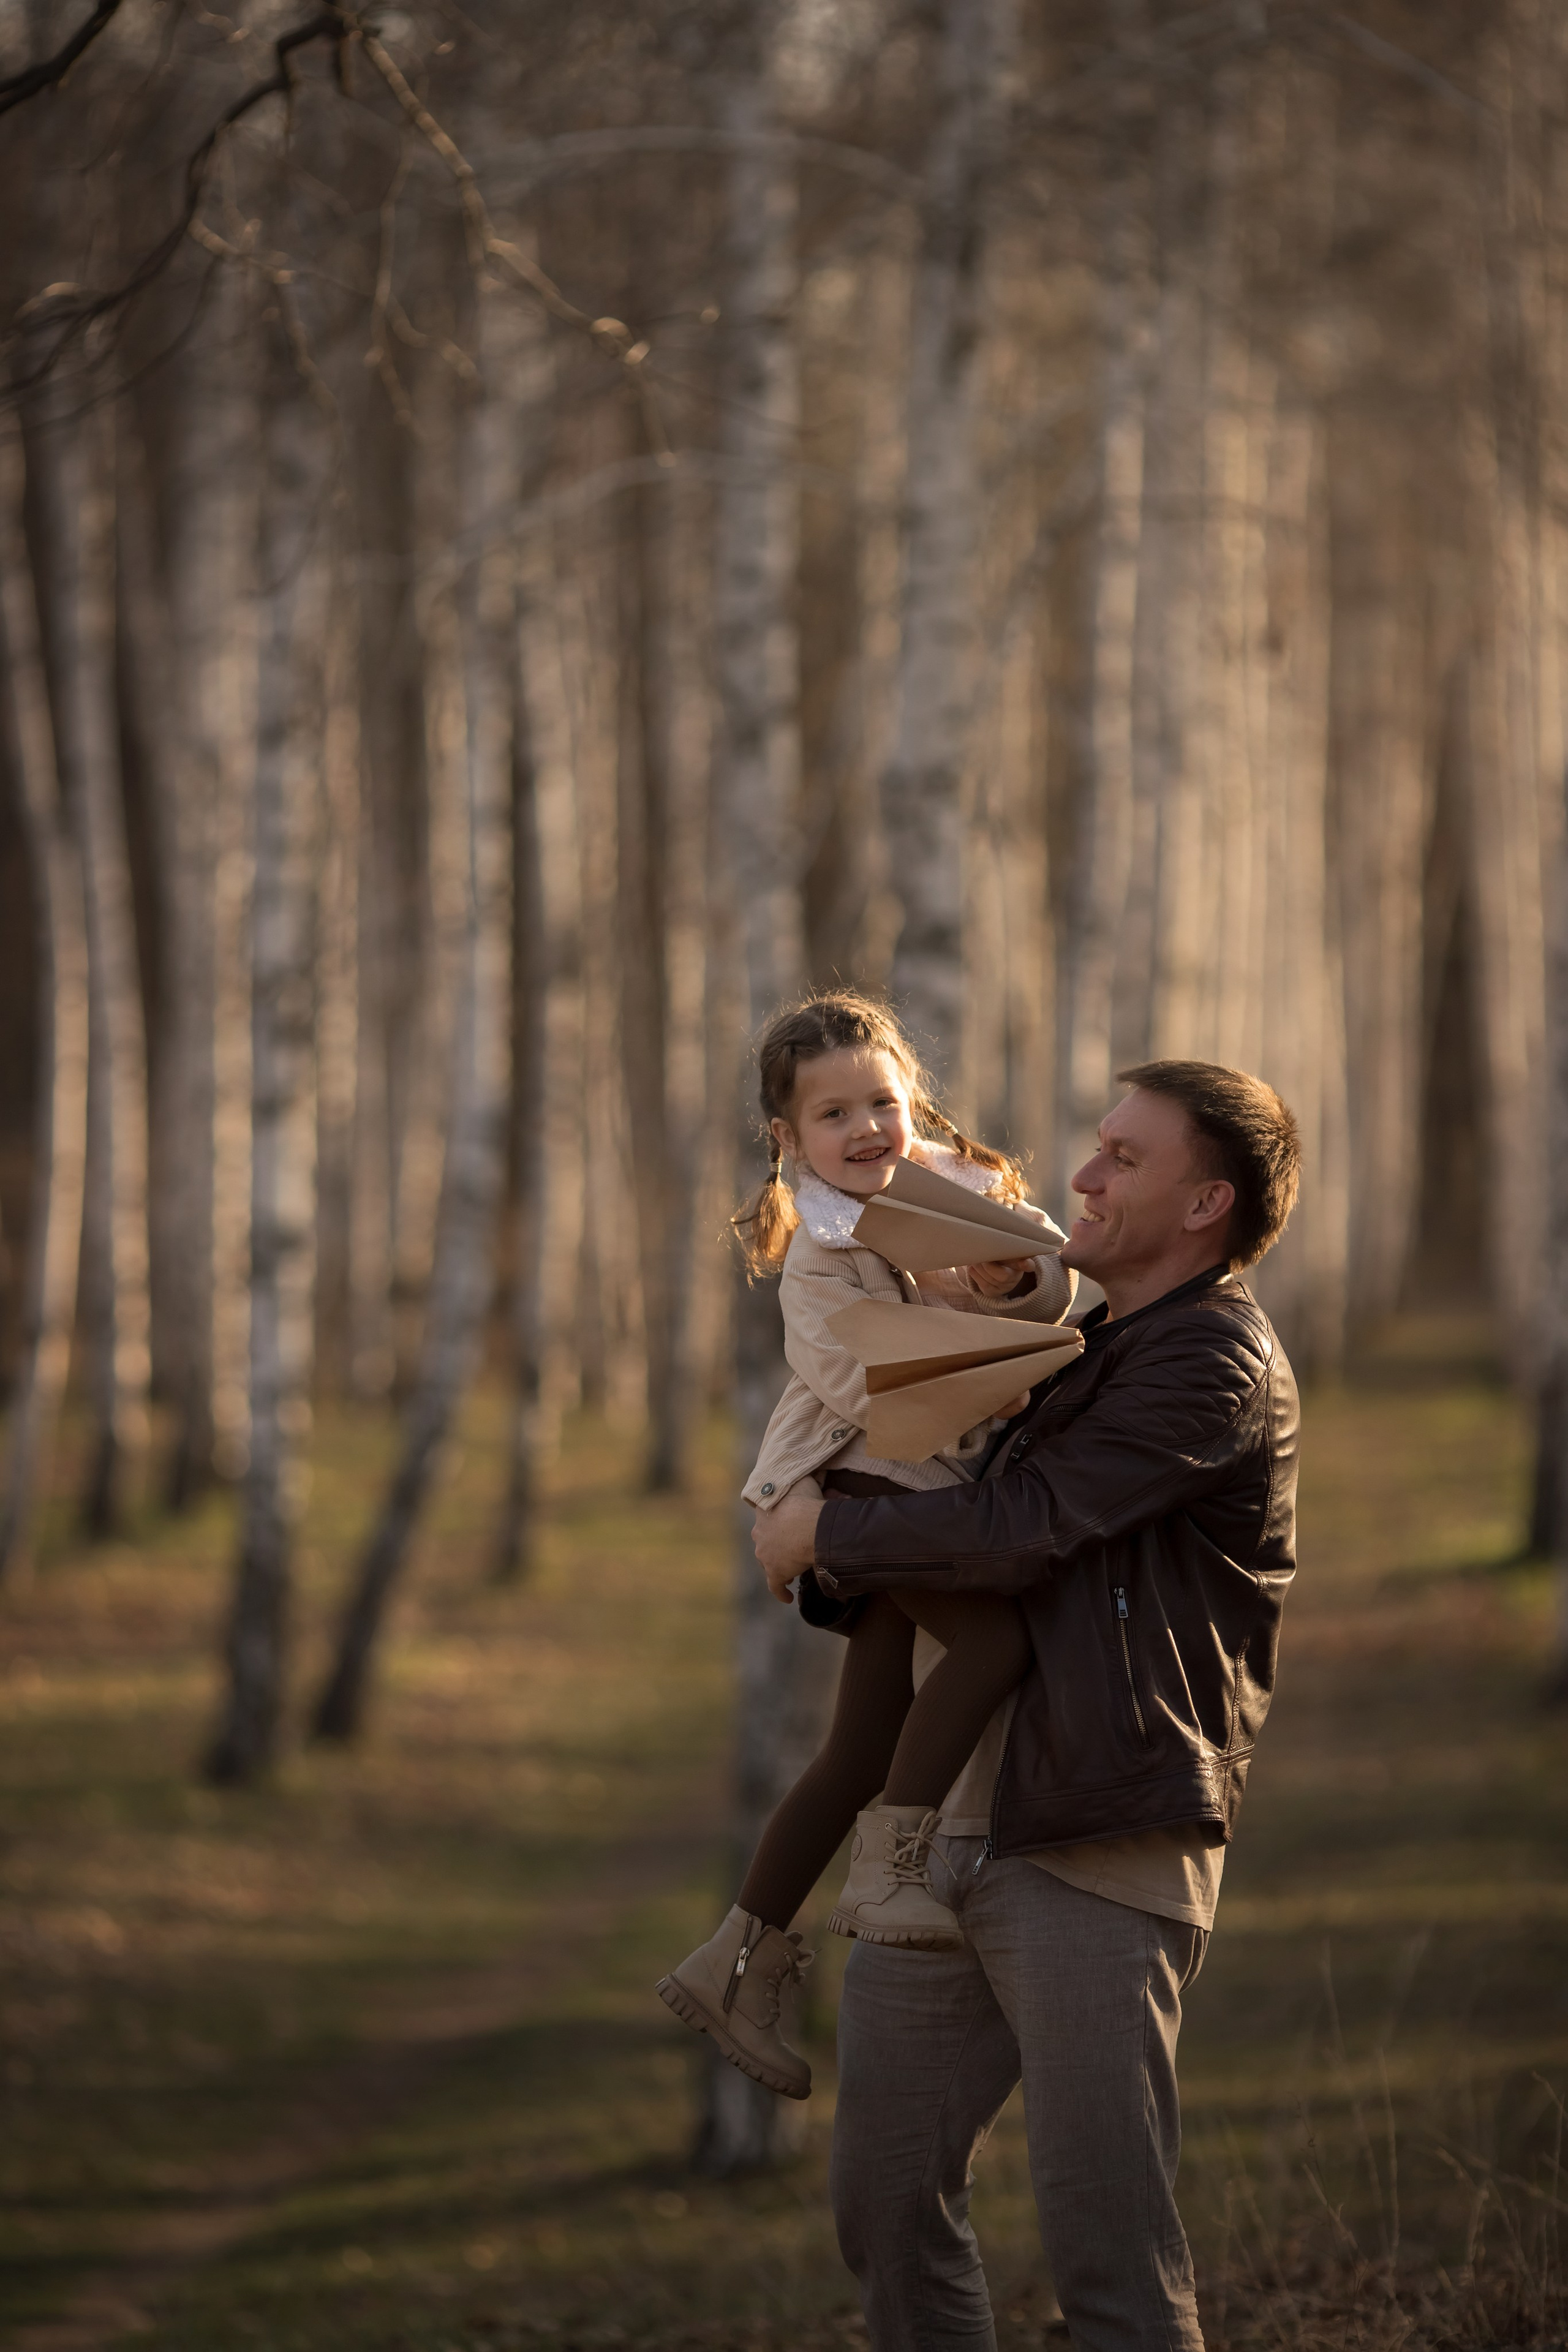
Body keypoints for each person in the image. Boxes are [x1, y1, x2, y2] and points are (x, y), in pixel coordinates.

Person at [753, 1058, 1303, 2352]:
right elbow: (933, 1513)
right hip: (948, 1824)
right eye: (1096, 1147)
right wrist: (833, 1545)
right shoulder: (1078, 1352)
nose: (1084, 1177)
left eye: (1124, 1158)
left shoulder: (1212, 1359)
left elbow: (1025, 1527)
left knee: (1107, 2250)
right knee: (885, 2202)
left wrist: (824, 1531)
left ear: (1205, 1205)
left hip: (1096, 1835)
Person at [657, 991, 1076, 2100]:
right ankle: (892, 1867)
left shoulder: (956, 1194)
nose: (866, 1130)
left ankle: (734, 1959)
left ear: (914, 1101)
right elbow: (864, 1385)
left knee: (855, 1748)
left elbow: (1050, 1276)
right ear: (789, 1138)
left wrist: (1009, 1279)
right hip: (866, 1484)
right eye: (833, 1115)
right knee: (992, 1646)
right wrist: (978, 1353)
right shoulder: (820, 1251)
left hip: (924, 1487)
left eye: (882, 1103)